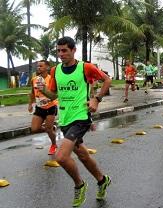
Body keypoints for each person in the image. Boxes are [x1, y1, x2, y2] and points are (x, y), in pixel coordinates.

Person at [38, 37, 112, 207]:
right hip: (65, 119)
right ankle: (102, 180)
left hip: (81, 117)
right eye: (58, 51)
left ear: (73, 50)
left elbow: (107, 80)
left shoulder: (85, 67)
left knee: (62, 157)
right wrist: (44, 91)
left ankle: (80, 185)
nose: (61, 54)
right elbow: (55, 95)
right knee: (83, 156)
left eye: (64, 50)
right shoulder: (56, 70)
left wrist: (96, 99)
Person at [28, 60, 58, 155]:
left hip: (51, 107)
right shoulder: (34, 79)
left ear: (47, 68)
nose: (38, 68)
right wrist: (30, 104)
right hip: (39, 107)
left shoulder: (52, 79)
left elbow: (55, 94)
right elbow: (32, 93)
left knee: (48, 130)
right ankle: (51, 128)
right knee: (34, 129)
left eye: (41, 66)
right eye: (38, 66)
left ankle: (53, 145)